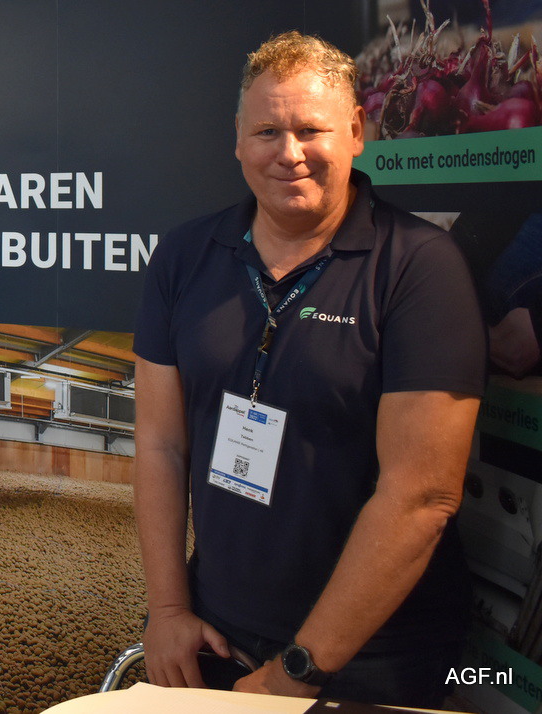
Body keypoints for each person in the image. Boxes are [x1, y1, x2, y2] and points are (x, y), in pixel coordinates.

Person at [132, 32, 486, 707]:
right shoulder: (184, 257)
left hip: (375, 660)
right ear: (238, 141)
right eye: (267, 131)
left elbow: (421, 496)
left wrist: (296, 671)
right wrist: (169, 610)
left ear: (356, 133)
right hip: (216, 637)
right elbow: (159, 444)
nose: (289, 153)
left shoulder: (419, 267)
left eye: (311, 130)